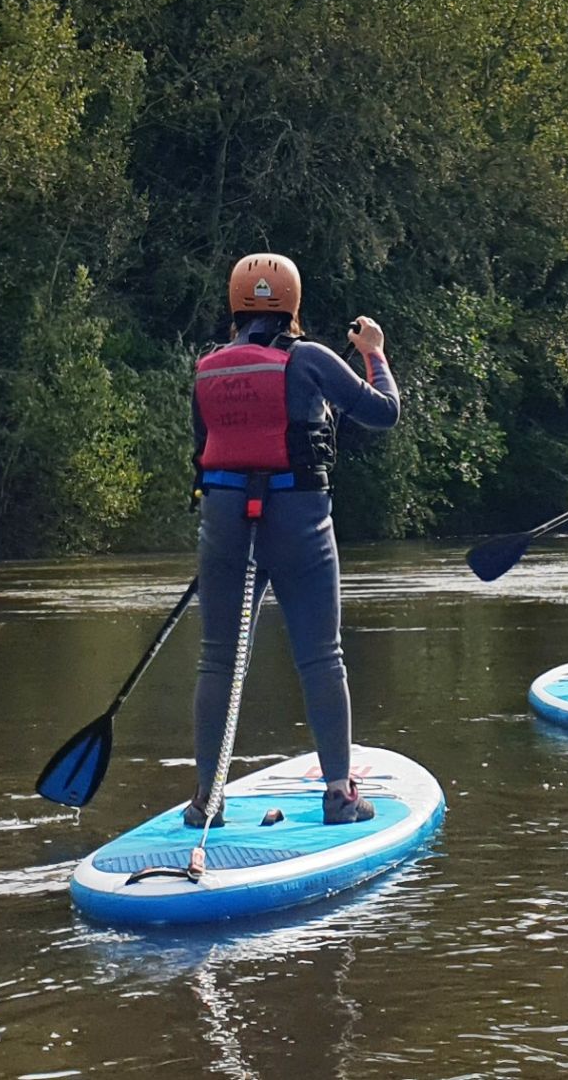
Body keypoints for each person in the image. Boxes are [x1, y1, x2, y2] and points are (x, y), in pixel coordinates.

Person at [188, 253, 400, 826]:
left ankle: (207, 798)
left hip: (225, 523)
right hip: (299, 520)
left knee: (218, 659)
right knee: (321, 655)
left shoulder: (207, 367)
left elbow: (203, 445)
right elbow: (384, 412)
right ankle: (339, 795)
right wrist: (374, 352)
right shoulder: (308, 358)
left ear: (234, 305)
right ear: (293, 304)